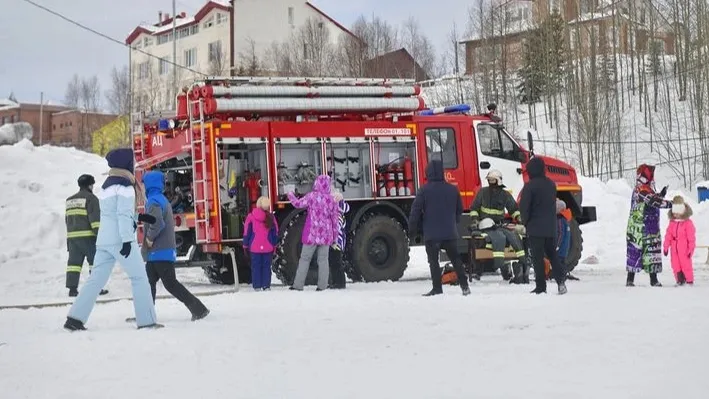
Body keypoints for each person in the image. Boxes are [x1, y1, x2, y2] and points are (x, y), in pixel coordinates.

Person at [63, 148, 162, 331]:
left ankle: (75, 318)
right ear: (126, 163)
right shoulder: (125, 185)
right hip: (120, 239)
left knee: (96, 280)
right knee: (140, 277)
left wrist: (140, 218)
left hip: (103, 241)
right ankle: (147, 321)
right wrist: (126, 240)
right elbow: (122, 214)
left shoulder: (107, 185)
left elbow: (112, 213)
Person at [139, 170, 209, 321]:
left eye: (144, 185)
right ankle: (146, 314)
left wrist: (149, 239)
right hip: (160, 251)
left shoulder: (153, 201)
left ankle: (198, 308)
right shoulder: (160, 199)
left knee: (170, 284)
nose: (142, 188)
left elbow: (157, 222)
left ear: (150, 185)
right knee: (148, 283)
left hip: (158, 250)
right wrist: (139, 217)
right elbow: (155, 218)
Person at [409, 160, 471, 296]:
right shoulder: (452, 189)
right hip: (450, 232)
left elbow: (415, 211)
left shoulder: (424, 190)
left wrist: (413, 229)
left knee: (433, 262)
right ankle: (464, 286)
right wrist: (454, 222)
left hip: (432, 234)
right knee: (456, 259)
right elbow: (459, 209)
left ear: (428, 173)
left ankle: (437, 288)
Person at [519, 157, 567, 295]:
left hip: (535, 228)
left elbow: (524, 207)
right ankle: (561, 282)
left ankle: (541, 287)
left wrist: (525, 222)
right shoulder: (551, 184)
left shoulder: (529, 186)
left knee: (537, 258)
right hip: (550, 228)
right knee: (553, 255)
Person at [468, 169, 527, 282]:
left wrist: (519, 218)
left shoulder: (505, 195)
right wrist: (475, 220)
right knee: (480, 245)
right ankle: (478, 270)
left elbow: (513, 209)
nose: (490, 182)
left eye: (493, 180)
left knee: (511, 238)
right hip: (484, 226)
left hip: (499, 226)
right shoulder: (482, 192)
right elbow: (474, 208)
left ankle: (513, 264)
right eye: (489, 180)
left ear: (498, 181)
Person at [288, 175, 339, 291]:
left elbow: (297, 204)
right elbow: (335, 220)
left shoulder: (311, 196)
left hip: (312, 234)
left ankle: (298, 285)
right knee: (323, 260)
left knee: (305, 259)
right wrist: (334, 237)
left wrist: (290, 194)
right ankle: (322, 286)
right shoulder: (331, 199)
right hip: (326, 236)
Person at [626, 164, 671, 287]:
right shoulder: (641, 190)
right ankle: (631, 279)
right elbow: (652, 201)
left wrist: (661, 195)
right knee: (637, 252)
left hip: (649, 227)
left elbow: (652, 199)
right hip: (640, 228)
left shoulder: (644, 189)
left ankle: (652, 279)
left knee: (650, 252)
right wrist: (672, 204)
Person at [64, 174, 108, 297]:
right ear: (90, 185)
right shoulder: (91, 198)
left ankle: (72, 289)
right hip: (88, 237)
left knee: (73, 264)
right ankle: (96, 287)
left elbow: (67, 220)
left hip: (73, 238)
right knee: (94, 262)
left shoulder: (70, 200)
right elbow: (95, 220)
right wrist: (100, 236)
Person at [243, 196, 279, 291]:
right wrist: (274, 244)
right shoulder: (271, 217)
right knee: (266, 267)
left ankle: (257, 286)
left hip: (254, 247)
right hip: (268, 246)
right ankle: (266, 286)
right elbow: (275, 232)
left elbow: (247, 232)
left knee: (256, 267)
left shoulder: (251, 216)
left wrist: (245, 244)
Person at [663, 195, 696, 286]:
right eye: (674, 212)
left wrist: (690, 249)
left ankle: (689, 280)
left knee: (686, 265)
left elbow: (691, 238)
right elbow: (668, 235)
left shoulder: (688, 223)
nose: (676, 215)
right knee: (675, 265)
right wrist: (666, 247)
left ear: (682, 211)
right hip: (674, 249)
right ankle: (679, 280)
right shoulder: (672, 222)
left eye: (678, 212)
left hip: (684, 249)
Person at [329, 190, 349, 289]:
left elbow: (336, 228)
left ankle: (340, 283)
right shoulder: (339, 214)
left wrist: (333, 241)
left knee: (336, 262)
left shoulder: (338, 215)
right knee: (334, 262)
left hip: (337, 243)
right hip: (336, 242)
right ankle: (336, 282)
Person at [555, 199, 571, 272]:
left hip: (560, 248)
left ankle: (560, 276)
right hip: (565, 247)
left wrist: (557, 245)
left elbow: (560, 233)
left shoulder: (560, 220)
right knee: (562, 261)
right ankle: (563, 274)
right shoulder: (566, 219)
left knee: (559, 262)